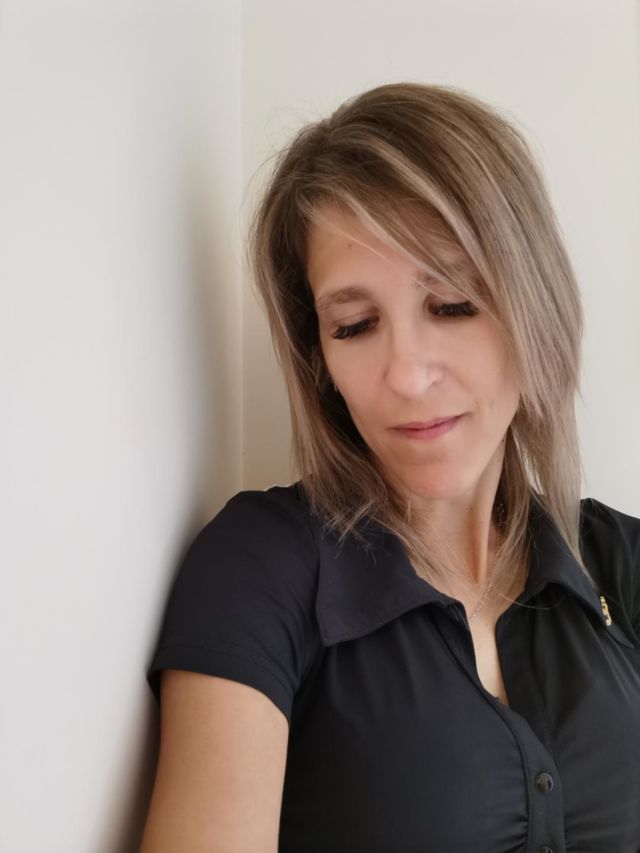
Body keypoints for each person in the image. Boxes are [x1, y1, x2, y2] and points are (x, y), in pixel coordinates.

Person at [140, 82, 640, 852]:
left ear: (535, 306)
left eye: (451, 305)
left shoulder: (622, 563)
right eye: (354, 324)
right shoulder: (260, 568)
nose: (406, 374)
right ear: (319, 358)